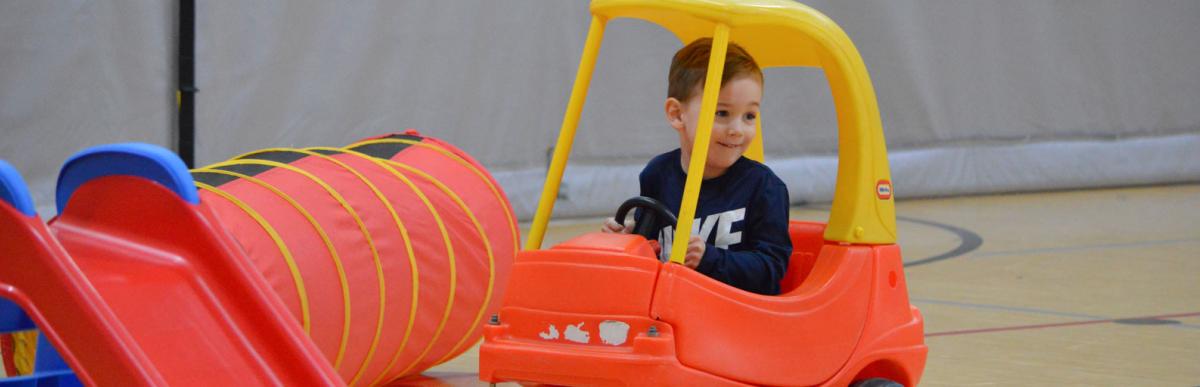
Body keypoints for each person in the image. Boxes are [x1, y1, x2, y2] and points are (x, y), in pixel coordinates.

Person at [602, 38, 792, 295]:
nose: (737, 130)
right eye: (722, 113)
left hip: (739, 317)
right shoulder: (657, 175)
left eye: (749, 116)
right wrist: (629, 239)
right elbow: (652, 250)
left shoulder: (765, 188)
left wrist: (710, 258)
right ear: (677, 114)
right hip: (670, 312)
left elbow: (771, 270)